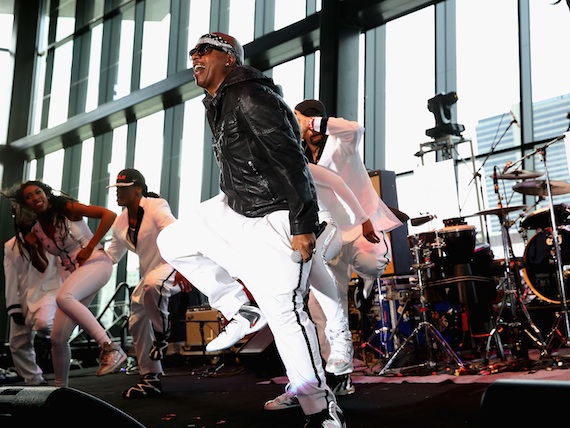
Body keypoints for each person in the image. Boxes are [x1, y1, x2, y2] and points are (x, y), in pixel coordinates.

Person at [157, 32, 345, 427]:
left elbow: (290, 158)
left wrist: (301, 223)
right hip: (241, 210)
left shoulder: (249, 94)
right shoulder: (220, 100)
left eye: (204, 50)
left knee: (286, 314)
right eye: (192, 51)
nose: (195, 56)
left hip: (276, 217)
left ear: (229, 59)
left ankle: (320, 408)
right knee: (172, 238)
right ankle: (238, 308)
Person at [265, 100, 403, 409]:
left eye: (305, 122)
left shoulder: (343, 145)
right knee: (320, 306)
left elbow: (356, 128)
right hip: (329, 236)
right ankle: (338, 376)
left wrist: (311, 122)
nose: (302, 129)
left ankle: (366, 288)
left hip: (361, 227)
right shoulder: (298, 156)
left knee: (373, 262)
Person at [2, 180, 126, 388]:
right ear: (26, 205)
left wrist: (90, 246)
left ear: (46, 193)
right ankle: (61, 390)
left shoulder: (67, 208)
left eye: (37, 192)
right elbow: (41, 267)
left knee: (63, 297)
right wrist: (33, 247)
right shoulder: (38, 229)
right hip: (78, 274)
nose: (35, 198)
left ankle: (110, 347)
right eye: (29, 197)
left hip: (96, 262)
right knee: (58, 339)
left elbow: (109, 215)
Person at [105, 168, 192, 398]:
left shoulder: (156, 205)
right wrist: (84, 262)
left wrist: (183, 267)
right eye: (117, 189)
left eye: (124, 189)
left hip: (170, 262)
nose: (118, 193)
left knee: (154, 285)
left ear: (138, 190)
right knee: (136, 322)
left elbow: (175, 233)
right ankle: (150, 378)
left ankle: (162, 334)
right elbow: (112, 255)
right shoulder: (120, 222)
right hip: (149, 272)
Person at [4, 202, 65, 385]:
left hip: (49, 293)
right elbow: (11, 277)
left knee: (44, 325)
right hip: (22, 299)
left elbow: (54, 268)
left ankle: (50, 339)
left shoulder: (50, 238)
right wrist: (13, 307)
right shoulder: (10, 246)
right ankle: (34, 380)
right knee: (17, 343)